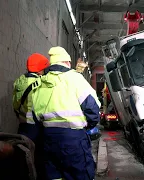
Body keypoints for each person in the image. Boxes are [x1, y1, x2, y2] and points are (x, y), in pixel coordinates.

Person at [32, 46, 101, 180]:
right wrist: (88, 126)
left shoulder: (40, 82)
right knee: (80, 174)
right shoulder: (75, 78)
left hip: (48, 138)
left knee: (53, 175)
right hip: (73, 138)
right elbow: (92, 107)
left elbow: (35, 114)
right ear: (67, 62)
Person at [12, 53, 50, 141]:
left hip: (23, 124)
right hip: (35, 126)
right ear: (40, 70)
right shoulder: (39, 84)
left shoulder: (20, 82)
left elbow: (15, 104)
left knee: (24, 150)